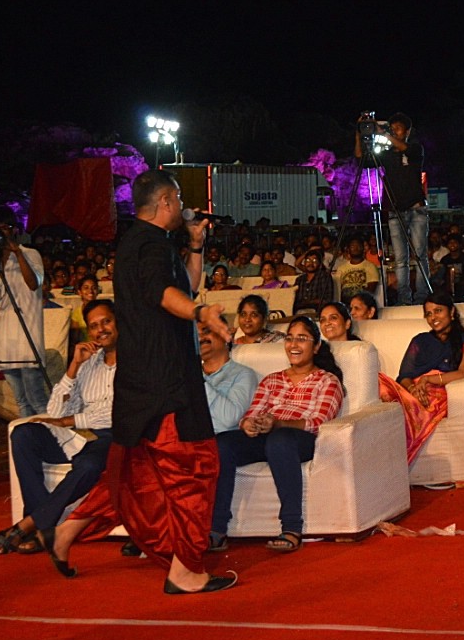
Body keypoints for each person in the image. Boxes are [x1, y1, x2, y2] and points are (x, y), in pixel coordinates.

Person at [39, 169, 237, 594]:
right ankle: (185, 571)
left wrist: (196, 245)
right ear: (165, 203)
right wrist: (202, 314)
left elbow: (180, 285)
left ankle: (66, 531)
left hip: (140, 382)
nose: (182, 205)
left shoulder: (143, 244)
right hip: (165, 383)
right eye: (179, 198)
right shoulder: (148, 247)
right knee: (194, 470)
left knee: (136, 474)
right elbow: (167, 295)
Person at [0, 300, 118, 555]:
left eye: (106, 321)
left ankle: (30, 523)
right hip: (81, 436)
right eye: (94, 326)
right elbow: (56, 410)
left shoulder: (137, 362)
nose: (101, 329)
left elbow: (119, 412)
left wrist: (70, 421)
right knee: (23, 433)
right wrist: (74, 367)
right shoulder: (88, 363)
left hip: (116, 437)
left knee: (89, 465)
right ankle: (42, 527)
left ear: (118, 322)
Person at [212, 317, 344, 552]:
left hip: (301, 440)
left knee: (279, 440)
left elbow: (318, 422)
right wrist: (249, 424)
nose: (293, 344)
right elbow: (251, 413)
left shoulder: (326, 380)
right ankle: (217, 528)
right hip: (268, 435)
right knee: (222, 443)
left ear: (315, 347)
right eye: (290, 338)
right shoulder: (271, 380)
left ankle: (292, 527)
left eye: (302, 339)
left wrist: (279, 423)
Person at [379, 292, 464, 464]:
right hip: (414, 391)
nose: (433, 317)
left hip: (440, 392)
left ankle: (391, 459)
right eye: (428, 314)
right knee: (380, 383)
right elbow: (405, 375)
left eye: (438, 311)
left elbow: (463, 373)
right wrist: (413, 389)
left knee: (413, 404)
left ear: (451, 312)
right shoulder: (420, 341)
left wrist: (428, 380)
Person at [198, 313, 258, 552]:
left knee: (219, 445)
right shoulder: (184, 375)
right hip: (193, 436)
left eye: (207, 331)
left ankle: (216, 528)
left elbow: (228, 419)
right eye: (198, 333)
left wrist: (196, 381)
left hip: (230, 440)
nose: (201, 338)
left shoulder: (242, 375)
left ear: (226, 335)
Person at [357, 112, 428, 306]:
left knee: (420, 255)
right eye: (392, 127)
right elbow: (361, 159)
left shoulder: (415, 148)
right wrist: (359, 133)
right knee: (400, 259)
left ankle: (422, 297)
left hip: (416, 208)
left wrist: (384, 133)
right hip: (396, 210)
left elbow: (405, 148)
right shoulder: (387, 154)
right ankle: (405, 299)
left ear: (407, 131)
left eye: (397, 128)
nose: (394, 131)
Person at [0, 205, 48, 417]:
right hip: (6, 345)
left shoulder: (31, 254)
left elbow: (33, 283)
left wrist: (16, 251)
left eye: (1, 229)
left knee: (37, 400)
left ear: (12, 229)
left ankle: (50, 443)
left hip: (27, 341)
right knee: (22, 403)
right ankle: (29, 445)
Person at [335, 234, 380, 305]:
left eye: (358, 246)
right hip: (345, 303)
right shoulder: (341, 268)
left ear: (363, 248)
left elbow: (371, 290)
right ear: (348, 249)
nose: (356, 248)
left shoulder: (370, 266)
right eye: (353, 246)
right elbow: (337, 289)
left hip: (362, 303)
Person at [293, 248, 334, 315]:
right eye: (308, 260)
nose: (310, 263)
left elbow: (327, 299)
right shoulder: (299, 279)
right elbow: (294, 299)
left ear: (320, 263)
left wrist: (309, 302)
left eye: (314, 260)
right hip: (299, 311)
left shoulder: (324, 276)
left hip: (318, 311)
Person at [68, 274, 101, 346]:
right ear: (80, 292)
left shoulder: (103, 309)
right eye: (86, 288)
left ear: (97, 291)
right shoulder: (77, 313)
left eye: (94, 288)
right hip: (86, 348)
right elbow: (75, 339)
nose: (90, 291)